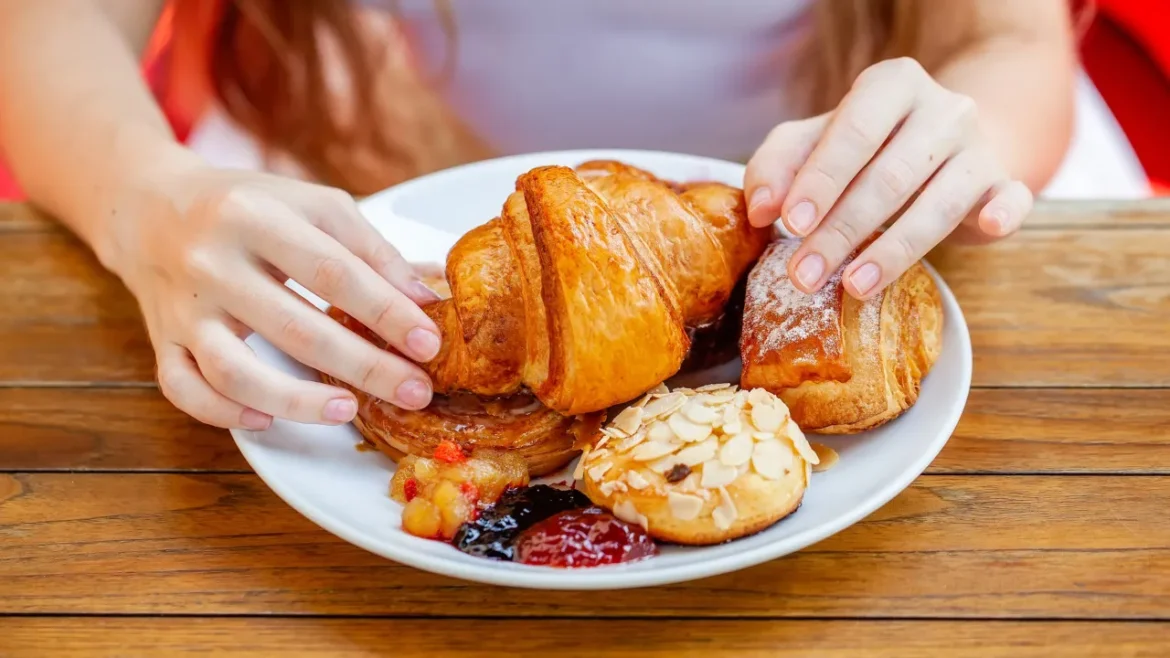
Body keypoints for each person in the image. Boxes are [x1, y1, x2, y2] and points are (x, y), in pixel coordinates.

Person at [0, 0, 1143, 432]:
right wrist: (139, 195)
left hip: (827, 199)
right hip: (353, 183)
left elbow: (1002, 37)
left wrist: (955, 140)